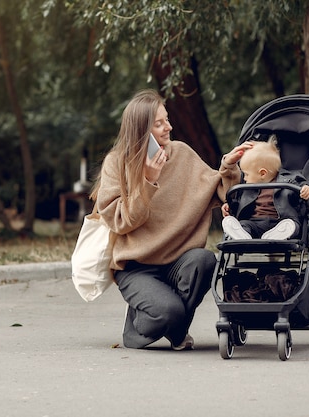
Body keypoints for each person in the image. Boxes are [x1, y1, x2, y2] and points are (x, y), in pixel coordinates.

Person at [91, 89, 252, 350]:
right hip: (135, 267)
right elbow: (121, 222)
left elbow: (223, 193)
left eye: (167, 120)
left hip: (178, 262)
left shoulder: (181, 153)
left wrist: (229, 166)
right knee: (170, 312)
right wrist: (149, 181)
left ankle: (170, 320)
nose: (169, 127)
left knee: (205, 260)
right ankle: (143, 327)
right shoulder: (116, 163)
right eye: (159, 123)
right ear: (141, 131)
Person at [221, 137, 309, 240]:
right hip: (254, 223)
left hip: (280, 222)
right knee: (243, 224)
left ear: (262, 173)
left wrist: (308, 188)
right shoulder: (247, 187)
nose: (245, 178)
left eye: (247, 174)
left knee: (291, 225)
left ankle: (278, 236)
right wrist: (230, 207)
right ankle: (242, 236)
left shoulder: (288, 180)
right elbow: (239, 202)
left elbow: (303, 183)